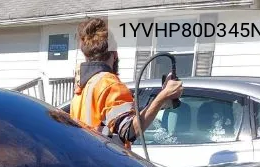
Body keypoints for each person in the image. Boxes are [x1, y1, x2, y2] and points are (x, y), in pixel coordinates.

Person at [68, 18, 183, 148]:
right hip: (109, 165)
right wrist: (163, 96)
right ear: (115, 54)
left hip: (88, 162)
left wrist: (160, 100)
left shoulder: (82, 88)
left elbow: (110, 121)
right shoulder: (110, 84)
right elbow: (129, 131)